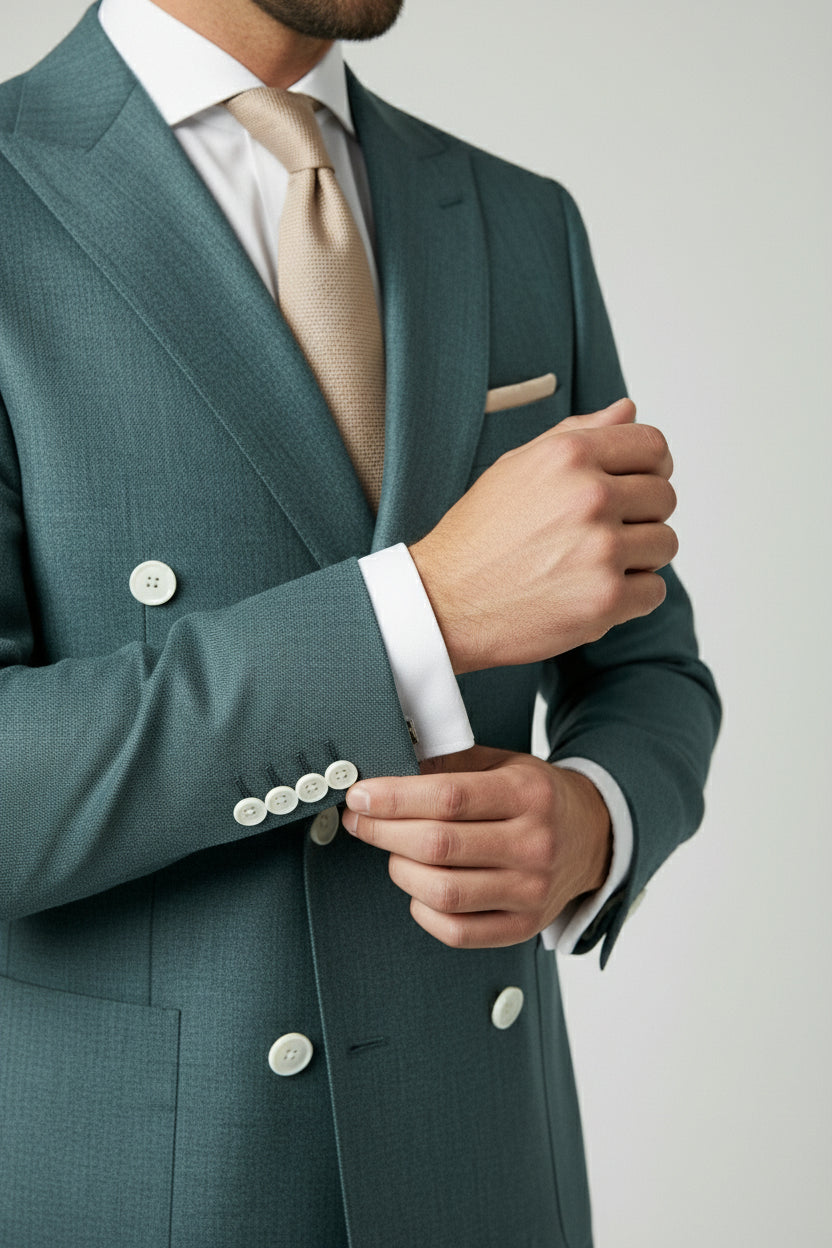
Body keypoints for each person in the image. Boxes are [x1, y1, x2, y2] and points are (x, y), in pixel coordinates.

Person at [0, 0, 720, 1243]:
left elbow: (652, 667)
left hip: (488, 1176)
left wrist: (590, 819)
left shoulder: (517, 218)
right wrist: (422, 609)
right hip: (151, 1190)